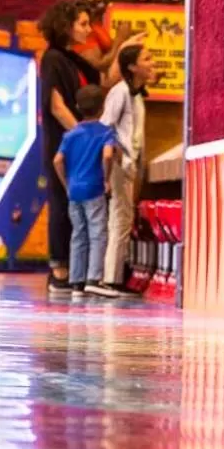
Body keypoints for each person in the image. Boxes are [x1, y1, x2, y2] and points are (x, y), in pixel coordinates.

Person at [38, 0, 102, 295]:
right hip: (66, 142)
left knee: (76, 204)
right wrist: (82, 134)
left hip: (78, 140)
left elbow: (102, 77)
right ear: (66, 26)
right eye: (83, 23)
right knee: (62, 202)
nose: (88, 29)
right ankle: (58, 268)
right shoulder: (52, 58)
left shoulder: (72, 59)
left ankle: (77, 268)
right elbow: (56, 104)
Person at [53, 85, 121, 299]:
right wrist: (106, 179)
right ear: (102, 108)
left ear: (77, 107)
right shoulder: (106, 132)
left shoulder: (70, 135)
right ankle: (94, 279)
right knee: (98, 233)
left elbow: (58, 160)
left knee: (78, 235)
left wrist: (67, 184)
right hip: (94, 189)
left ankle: (76, 283)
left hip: (74, 191)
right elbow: (108, 155)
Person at [101, 43, 154, 293]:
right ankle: (110, 278)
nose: (152, 63)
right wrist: (116, 159)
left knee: (124, 218)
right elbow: (106, 127)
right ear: (132, 66)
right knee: (120, 219)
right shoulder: (119, 92)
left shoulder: (137, 94)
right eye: (147, 58)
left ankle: (117, 275)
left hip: (130, 164)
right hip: (120, 164)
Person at [71, 0, 142, 88]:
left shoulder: (96, 22)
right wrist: (120, 39)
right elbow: (97, 66)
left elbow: (107, 52)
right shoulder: (81, 28)